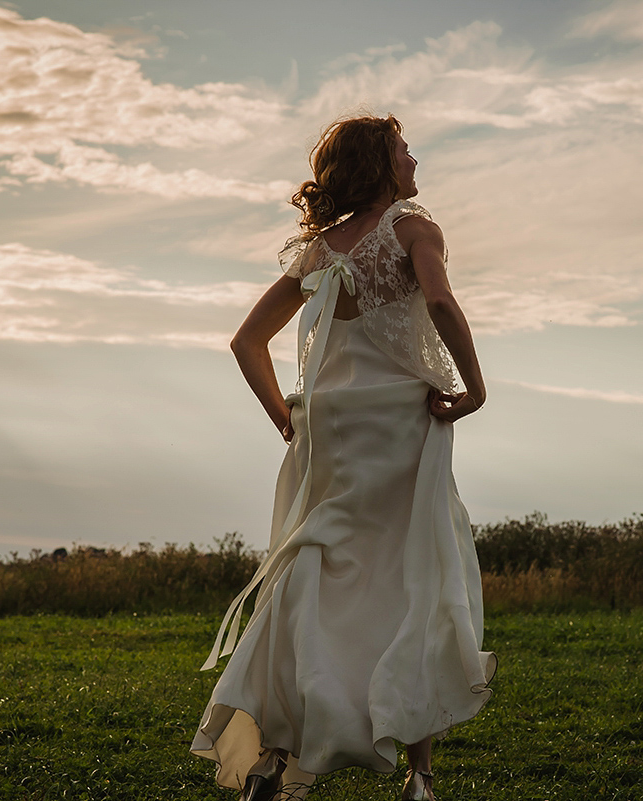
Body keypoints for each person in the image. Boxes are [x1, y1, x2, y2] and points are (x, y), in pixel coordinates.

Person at [191, 114, 496, 801]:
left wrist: (287, 420)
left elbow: (247, 342)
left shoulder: (316, 253)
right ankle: (418, 776)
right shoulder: (414, 230)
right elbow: (441, 302)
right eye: (402, 147)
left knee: (308, 577)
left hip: (327, 432)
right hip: (399, 428)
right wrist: (474, 388)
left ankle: (272, 753)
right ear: (382, 165)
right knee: (415, 576)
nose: (413, 155)